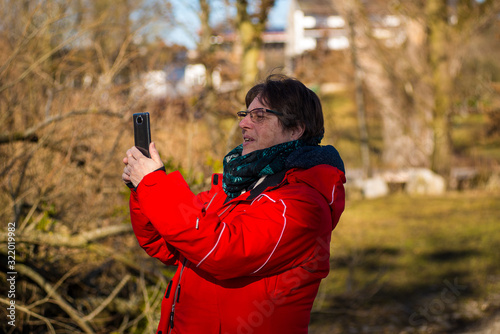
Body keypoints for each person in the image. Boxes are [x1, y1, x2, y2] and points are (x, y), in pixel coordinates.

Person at [122, 74, 346, 334]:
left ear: (295, 129)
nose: (243, 123)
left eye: (259, 116)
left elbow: (222, 251)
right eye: (245, 114)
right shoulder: (236, 189)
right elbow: (164, 244)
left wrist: (154, 184)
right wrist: (141, 189)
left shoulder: (301, 205)